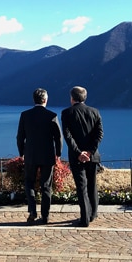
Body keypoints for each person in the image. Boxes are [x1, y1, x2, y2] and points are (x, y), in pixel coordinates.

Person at [16, 88, 63, 225]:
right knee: (46, 186)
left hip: (30, 155)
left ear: (34, 99)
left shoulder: (25, 115)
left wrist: (22, 153)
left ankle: (32, 211)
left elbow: (20, 137)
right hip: (48, 155)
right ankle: (45, 216)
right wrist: (58, 154)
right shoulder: (52, 116)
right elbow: (58, 138)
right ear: (45, 100)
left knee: (29, 182)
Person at [61, 86, 103, 227]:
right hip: (92, 156)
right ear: (85, 97)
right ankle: (93, 214)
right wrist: (90, 152)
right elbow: (99, 135)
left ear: (72, 98)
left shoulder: (66, 113)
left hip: (76, 157)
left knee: (81, 187)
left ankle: (84, 218)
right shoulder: (95, 112)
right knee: (92, 184)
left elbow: (68, 136)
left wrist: (79, 152)